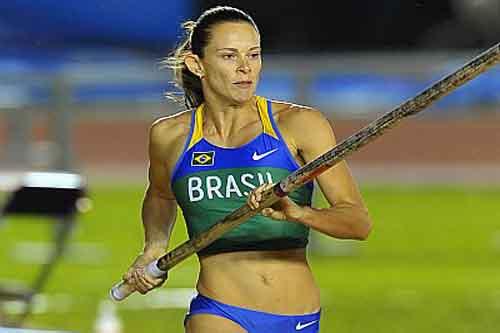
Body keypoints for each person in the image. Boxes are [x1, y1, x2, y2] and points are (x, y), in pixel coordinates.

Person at [122, 6, 372, 333]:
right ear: (197, 64)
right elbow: (159, 194)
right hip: (219, 310)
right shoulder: (170, 136)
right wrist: (153, 247)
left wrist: (298, 213)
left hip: (298, 317)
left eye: (254, 55)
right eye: (229, 56)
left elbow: (357, 223)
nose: (245, 68)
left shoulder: (299, 125)